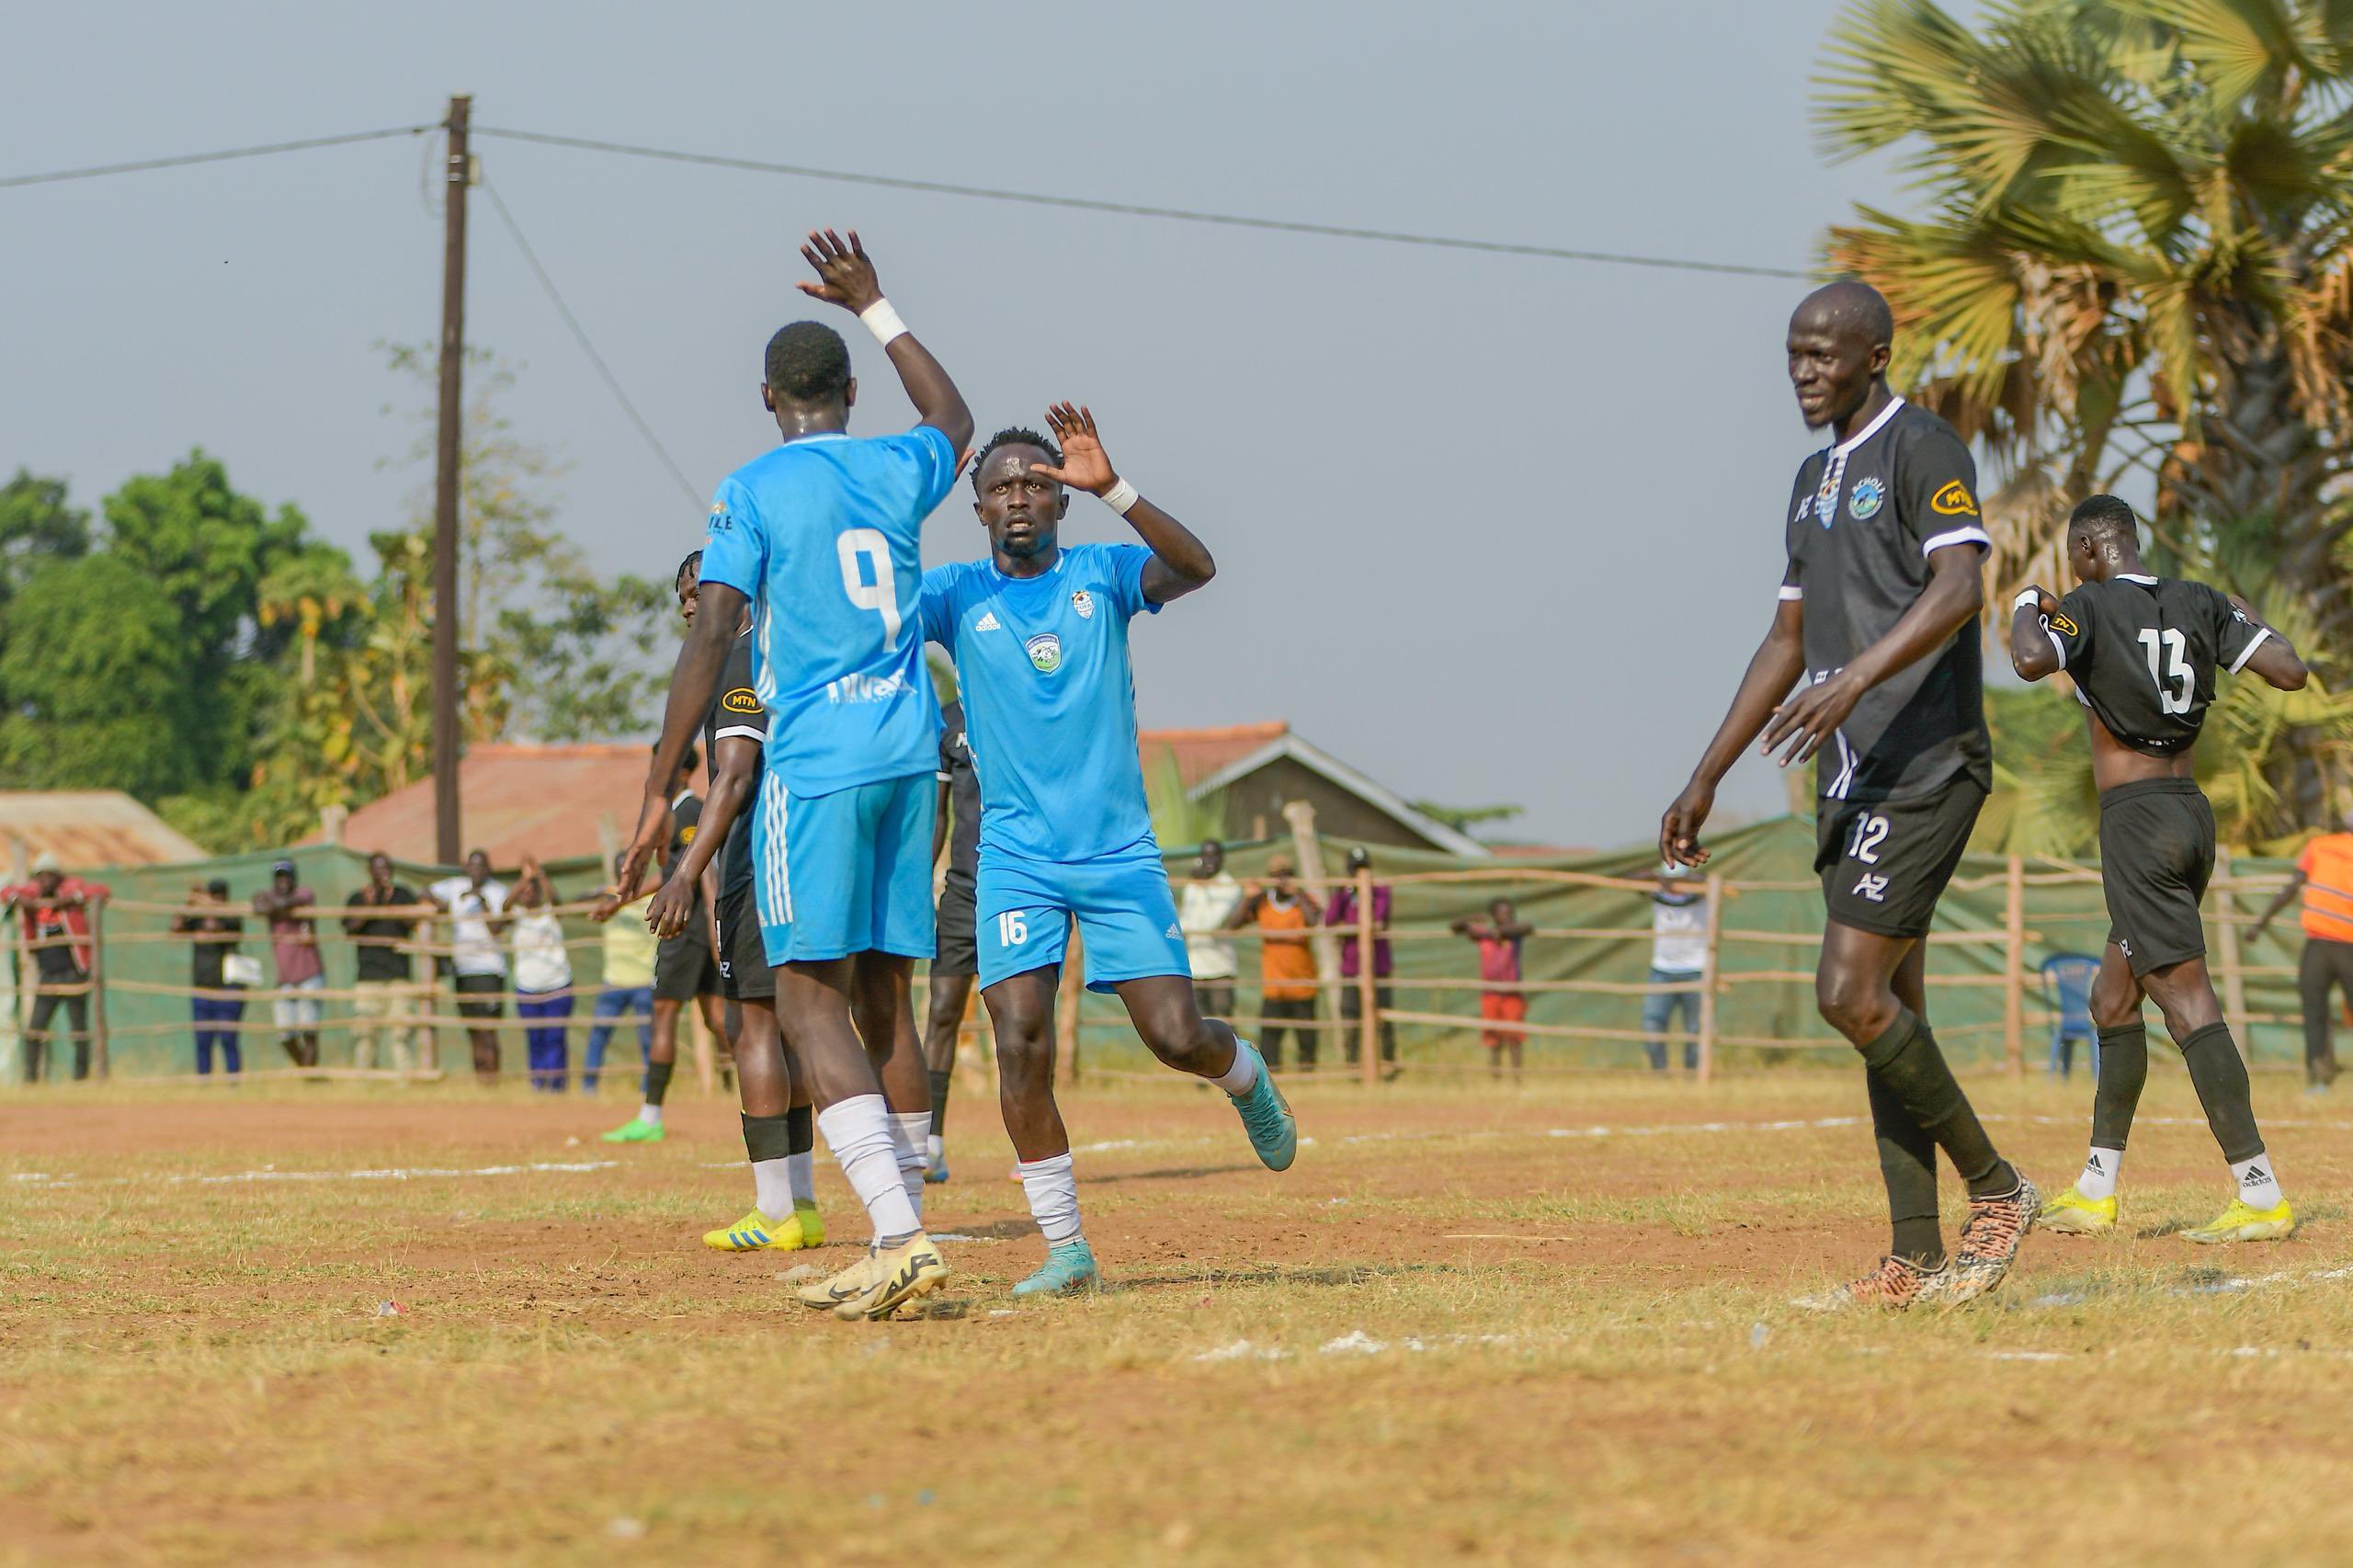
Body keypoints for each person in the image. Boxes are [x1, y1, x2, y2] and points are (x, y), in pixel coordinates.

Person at [1660, 279, 2036, 1311]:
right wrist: (1704, 775)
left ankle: (1999, 1193)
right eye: (1792, 355)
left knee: (1846, 992)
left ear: (1875, 354)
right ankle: (1913, 1259)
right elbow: (1786, 639)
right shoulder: (1807, 478)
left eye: (1823, 355)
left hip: (1924, 762)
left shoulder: (1923, 447)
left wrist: (1855, 678)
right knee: (1886, 1008)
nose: (1803, 372)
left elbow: (1959, 587)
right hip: (1847, 774)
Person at [622, 228, 974, 1321]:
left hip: (814, 762)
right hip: (910, 758)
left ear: (768, 396)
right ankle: (905, 1216)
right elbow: (955, 421)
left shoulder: (753, 486)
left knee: (807, 999)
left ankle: (899, 1236)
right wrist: (878, 301)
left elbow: (713, 627)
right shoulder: (895, 463)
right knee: (886, 998)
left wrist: (655, 782)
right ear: (849, 391)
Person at [918, 403, 1296, 1299]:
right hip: (1014, 855)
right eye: (1001, 486)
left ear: (1060, 501)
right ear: (976, 507)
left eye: (1036, 484)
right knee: (1020, 1036)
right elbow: (871, 612)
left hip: (1118, 853)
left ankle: (1242, 1072)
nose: (1018, 496)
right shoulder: (954, 594)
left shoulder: (1106, 573)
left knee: (1172, 1037)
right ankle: (1067, 1247)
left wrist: (1115, 486)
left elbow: (1198, 567)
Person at [2011, 494, 2310, 1243]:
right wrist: (2247, 616)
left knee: (2187, 1004)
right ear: (2132, 545)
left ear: (2086, 551)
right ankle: (2095, 1187)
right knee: (2114, 999)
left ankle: (2260, 1191)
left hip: (2138, 824)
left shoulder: (2083, 604)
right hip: (2191, 815)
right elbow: (2289, 669)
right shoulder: (2200, 601)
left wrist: (2024, 601)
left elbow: (2027, 659)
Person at [642, 552, 825, 1254]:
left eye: (700, 593)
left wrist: (686, 872)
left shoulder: (739, 659)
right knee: (793, 1029)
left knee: (753, 1031)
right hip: (800, 859)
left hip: (755, 862)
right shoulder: (786, 652)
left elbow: (735, 780)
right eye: (683, 599)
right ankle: (802, 1205)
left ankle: (775, 1208)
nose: (691, 609)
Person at [921, 694, 982, 1184]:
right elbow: (939, 814)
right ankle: (931, 1145)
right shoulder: (947, 719)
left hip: (1020, 888)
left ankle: (1034, 1157)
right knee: (941, 1012)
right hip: (961, 891)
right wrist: (918, 879)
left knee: (1023, 1021)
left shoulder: (1023, 694)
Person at [2249, 810, 2353, 1091]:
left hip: (2318, 946)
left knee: (2314, 1012)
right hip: (2345, 946)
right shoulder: (2320, 846)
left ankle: (2317, 1077)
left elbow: (2291, 888)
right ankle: (2320, 1076)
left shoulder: (2318, 846)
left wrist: (2260, 923)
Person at [3, 854, 108, 1082]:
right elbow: (7, 892)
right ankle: (30, 1080)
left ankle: (80, 1079)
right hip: (48, 976)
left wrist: (73, 899)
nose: (46, 881)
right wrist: (19, 901)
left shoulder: (70, 891)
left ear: (58, 877)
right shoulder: (34, 896)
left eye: (50, 875)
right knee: (35, 1029)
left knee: (78, 1029)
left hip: (74, 973)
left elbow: (101, 890)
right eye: (41, 876)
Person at [1230, 854, 1322, 1071]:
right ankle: (1273, 1077)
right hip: (1274, 985)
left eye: (1286, 875)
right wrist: (1248, 897)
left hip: (1303, 984)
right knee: (1270, 1040)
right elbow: (1233, 924)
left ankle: (1308, 1075)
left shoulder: (1304, 900)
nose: (1281, 880)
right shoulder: (1262, 902)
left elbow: (1313, 923)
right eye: (1276, 876)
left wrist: (1297, 895)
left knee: (1306, 1039)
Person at [428, 850, 510, 1083]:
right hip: (463, 970)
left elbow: (497, 929)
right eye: (472, 866)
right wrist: (444, 906)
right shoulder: (456, 887)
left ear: (488, 869)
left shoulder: (497, 891)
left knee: (488, 1030)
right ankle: (479, 1079)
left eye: (481, 866)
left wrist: (481, 901)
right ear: (466, 868)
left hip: (489, 970)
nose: (476, 871)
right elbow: (426, 892)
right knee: (472, 1029)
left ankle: (492, 1080)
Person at [585, 851, 657, 1094]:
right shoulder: (609, 897)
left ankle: (648, 1090)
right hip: (614, 980)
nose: (625, 871)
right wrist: (599, 892)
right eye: (621, 867)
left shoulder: (651, 897)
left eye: (629, 866)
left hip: (643, 980)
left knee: (648, 1040)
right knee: (599, 1035)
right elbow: (574, 901)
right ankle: (589, 1087)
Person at [342, 852, 421, 1074]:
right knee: (365, 1033)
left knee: (401, 1032)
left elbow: (415, 923)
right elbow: (349, 929)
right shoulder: (358, 898)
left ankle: (406, 1079)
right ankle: (364, 1078)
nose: (384, 872)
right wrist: (370, 907)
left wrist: (391, 904)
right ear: (370, 871)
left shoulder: (403, 895)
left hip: (398, 975)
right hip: (368, 977)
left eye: (387, 868)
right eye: (379, 868)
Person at [1325, 846, 1398, 1072]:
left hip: (1379, 967)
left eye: (1362, 868)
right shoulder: (1344, 894)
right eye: (1354, 869)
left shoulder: (1381, 891)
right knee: (1350, 1017)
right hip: (1351, 966)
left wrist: (1348, 927)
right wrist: (1341, 895)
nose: (1358, 873)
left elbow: (1377, 922)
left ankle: (1388, 1064)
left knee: (1383, 1018)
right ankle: (1353, 1067)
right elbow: (1329, 921)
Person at [509, 858, 574, 1092]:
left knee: (555, 1038)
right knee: (534, 1039)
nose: (527, 894)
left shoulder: (550, 913)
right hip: (527, 986)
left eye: (531, 890)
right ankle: (537, 1084)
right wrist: (524, 879)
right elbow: (505, 906)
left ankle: (557, 1086)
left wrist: (541, 876)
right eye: (523, 891)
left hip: (557, 984)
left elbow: (556, 900)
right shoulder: (516, 915)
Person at [173, 880, 249, 1077]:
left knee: (228, 1037)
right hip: (202, 987)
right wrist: (188, 904)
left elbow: (217, 927)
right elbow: (176, 928)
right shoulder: (197, 919)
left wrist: (207, 904)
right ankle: (204, 1080)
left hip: (227, 988)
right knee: (202, 1039)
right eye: (212, 894)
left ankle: (234, 1080)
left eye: (218, 895)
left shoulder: (232, 917)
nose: (215, 899)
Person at [252, 860, 323, 1068]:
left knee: (309, 1031)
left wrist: (277, 906)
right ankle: (307, 1072)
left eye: (287, 876)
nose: (283, 881)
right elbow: (259, 904)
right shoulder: (269, 896)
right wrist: (275, 905)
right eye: (279, 877)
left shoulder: (304, 894)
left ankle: (309, 1078)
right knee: (285, 1034)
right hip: (284, 978)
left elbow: (290, 902)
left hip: (309, 973)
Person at [1453, 897, 1533, 1078]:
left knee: (1514, 1039)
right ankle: (1495, 1078)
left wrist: (1501, 931)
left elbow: (1528, 927)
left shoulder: (1514, 935)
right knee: (1494, 1040)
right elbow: (1456, 926)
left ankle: (1516, 1080)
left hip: (1512, 993)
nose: (1508, 917)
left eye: (1510, 913)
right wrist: (1472, 921)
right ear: (1494, 916)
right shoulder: (1485, 936)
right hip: (1490, 994)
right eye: (1503, 914)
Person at [1644, 865, 1707, 1072]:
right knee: (1652, 1026)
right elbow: (1629, 880)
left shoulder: (1701, 895)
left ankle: (1693, 1077)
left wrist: (1686, 881)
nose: (1674, 885)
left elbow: (1705, 879)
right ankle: (1660, 1075)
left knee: (1695, 1031)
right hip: (1661, 970)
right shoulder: (1659, 896)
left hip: (1696, 971)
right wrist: (1657, 877)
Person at [1178, 838, 1245, 1022]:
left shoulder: (1229, 886)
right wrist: (1199, 883)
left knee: (1224, 1025)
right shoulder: (1193, 884)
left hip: (1220, 967)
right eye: (1205, 856)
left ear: (1222, 858)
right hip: (1195, 967)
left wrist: (1203, 886)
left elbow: (1210, 924)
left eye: (1214, 856)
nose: (1209, 861)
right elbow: (1185, 921)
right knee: (1200, 1025)